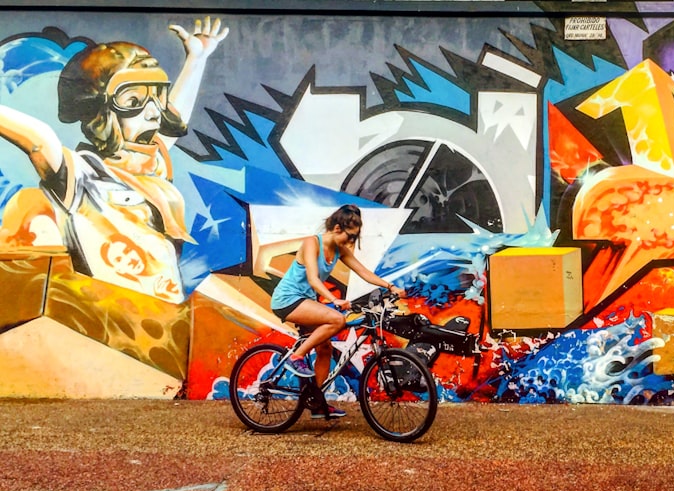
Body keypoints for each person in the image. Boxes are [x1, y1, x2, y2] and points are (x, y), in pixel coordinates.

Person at [0, 17, 228, 302]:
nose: (153, 112)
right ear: (102, 114)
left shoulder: (147, 172)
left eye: (156, 98)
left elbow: (171, 127)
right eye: (134, 102)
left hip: (161, 311)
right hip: (108, 313)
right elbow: (38, 139)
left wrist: (197, 59)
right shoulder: (82, 176)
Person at [270, 204, 405, 418]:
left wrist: (390, 287)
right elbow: (313, 279)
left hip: (307, 302)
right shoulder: (311, 243)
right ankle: (296, 357)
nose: (350, 242)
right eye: (349, 237)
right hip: (288, 299)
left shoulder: (339, 250)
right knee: (336, 320)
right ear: (336, 229)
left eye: (354, 238)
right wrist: (334, 299)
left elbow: (363, 272)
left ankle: (316, 401)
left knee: (325, 349)